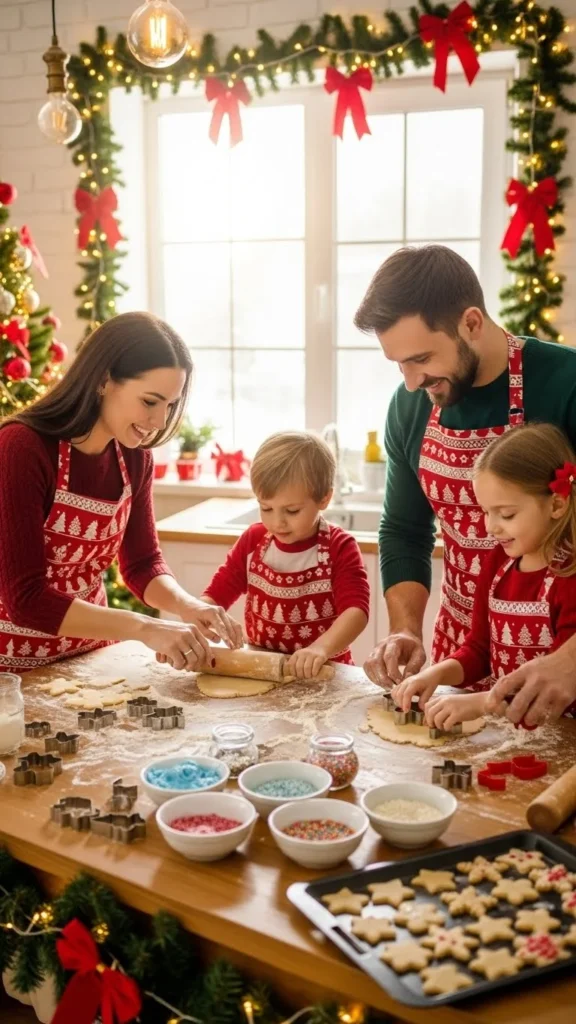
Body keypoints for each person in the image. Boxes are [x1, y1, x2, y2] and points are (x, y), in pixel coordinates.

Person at [354, 244, 576, 725]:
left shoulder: (566, 383)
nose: (411, 382)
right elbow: (404, 531)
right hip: (465, 652)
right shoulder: (410, 406)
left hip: (563, 653)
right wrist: (406, 630)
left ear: (471, 323)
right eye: (399, 365)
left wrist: (571, 660)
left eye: (421, 358)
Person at [0, 311, 243, 675]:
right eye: (150, 402)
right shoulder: (21, 448)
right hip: (12, 673)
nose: (159, 422)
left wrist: (187, 605)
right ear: (104, 379)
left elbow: (143, 564)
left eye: (170, 405)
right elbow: (26, 599)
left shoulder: (134, 458)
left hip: (89, 661)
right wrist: (144, 627)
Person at [390, 423, 576, 726]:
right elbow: (479, 651)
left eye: (507, 514)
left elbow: (556, 686)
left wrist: (481, 703)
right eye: (486, 512)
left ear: (556, 504)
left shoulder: (568, 576)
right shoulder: (498, 563)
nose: (491, 527)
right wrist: (434, 674)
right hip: (510, 730)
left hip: (563, 735)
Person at [201, 431, 370, 677]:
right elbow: (217, 593)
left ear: (324, 498)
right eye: (266, 508)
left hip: (324, 672)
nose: (277, 522)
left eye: (292, 511)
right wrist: (199, 619)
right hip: (262, 669)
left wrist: (320, 649)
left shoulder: (339, 547)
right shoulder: (253, 540)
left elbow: (356, 611)